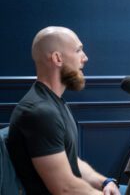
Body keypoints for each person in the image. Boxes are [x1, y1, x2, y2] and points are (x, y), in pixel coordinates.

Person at [7, 26, 120, 195]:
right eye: (78, 50)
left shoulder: (54, 103)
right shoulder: (39, 112)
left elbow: (71, 160)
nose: (85, 58)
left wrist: (104, 182)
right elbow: (64, 188)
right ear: (57, 58)